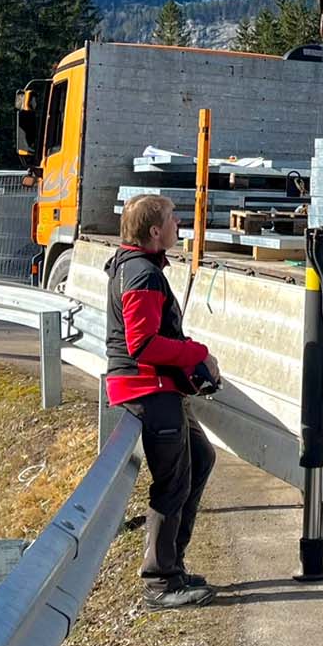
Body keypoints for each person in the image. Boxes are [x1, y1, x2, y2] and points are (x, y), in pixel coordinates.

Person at [105, 193, 221, 609]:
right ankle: (160, 583)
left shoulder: (136, 267)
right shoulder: (142, 275)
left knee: (201, 459)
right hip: (148, 390)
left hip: (158, 389)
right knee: (173, 483)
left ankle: (174, 566)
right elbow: (143, 344)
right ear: (155, 231)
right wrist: (197, 353)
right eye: (173, 219)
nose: (179, 225)